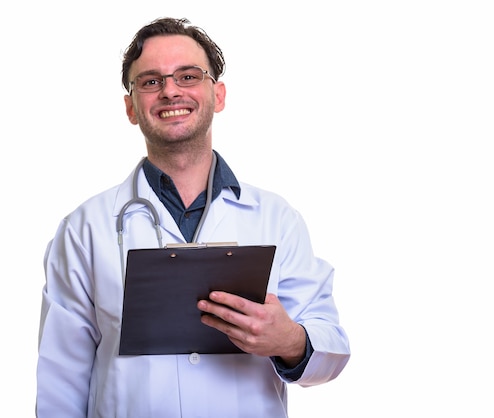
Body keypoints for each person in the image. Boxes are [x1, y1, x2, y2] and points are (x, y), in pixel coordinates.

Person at [36, 16, 350, 418]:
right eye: (150, 81)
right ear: (131, 107)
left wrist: (289, 340)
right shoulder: (84, 229)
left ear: (217, 95)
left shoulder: (276, 218)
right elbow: (61, 381)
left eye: (187, 76)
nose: (170, 91)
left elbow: (332, 345)